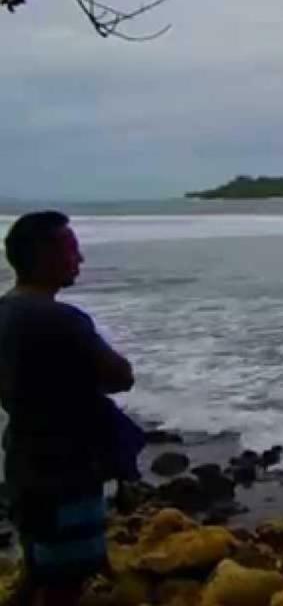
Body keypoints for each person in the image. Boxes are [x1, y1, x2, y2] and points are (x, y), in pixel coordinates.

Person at [0, 211, 135, 606]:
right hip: (66, 470)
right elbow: (120, 376)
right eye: (71, 249)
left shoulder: (5, 311)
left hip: (23, 459)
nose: (80, 259)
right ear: (44, 256)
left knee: (38, 569)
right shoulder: (60, 319)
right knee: (66, 583)